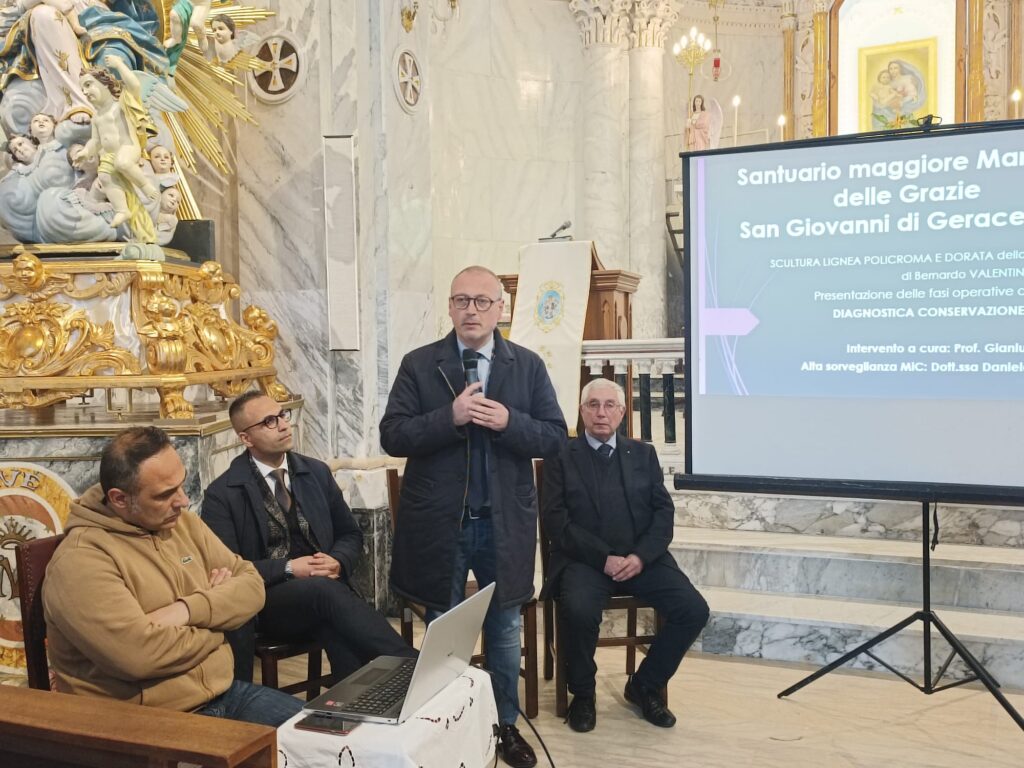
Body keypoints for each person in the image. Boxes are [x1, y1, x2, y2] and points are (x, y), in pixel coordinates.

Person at [380, 265, 567, 768]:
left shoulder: (525, 366)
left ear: (501, 308)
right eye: (461, 300)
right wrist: (450, 418)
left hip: (503, 521)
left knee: (505, 625)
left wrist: (510, 422)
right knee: (442, 628)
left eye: (482, 301)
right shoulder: (421, 364)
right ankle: (445, 726)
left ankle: (504, 725)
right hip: (441, 522)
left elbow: (554, 436)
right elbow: (392, 435)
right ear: (449, 307)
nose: (471, 310)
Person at [42, 426, 303, 726]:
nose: (182, 501)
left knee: (335, 743)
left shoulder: (182, 524)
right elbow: (139, 656)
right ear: (119, 499)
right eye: (165, 494)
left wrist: (185, 610)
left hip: (225, 693)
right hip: (146, 721)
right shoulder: (81, 561)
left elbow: (252, 584)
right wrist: (221, 620)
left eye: (180, 485)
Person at [203, 391, 416, 685]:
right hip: (266, 603)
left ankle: (351, 713)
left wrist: (337, 561)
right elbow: (228, 568)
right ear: (246, 438)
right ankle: (414, 665)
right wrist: (290, 568)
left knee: (337, 627)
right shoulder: (222, 494)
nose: (283, 425)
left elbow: (350, 533)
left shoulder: (314, 472)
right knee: (324, 592)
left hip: (323, 597)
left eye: (282, 415)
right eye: (269, 421)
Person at [541, 378, 709, 733]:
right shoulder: (561, 455)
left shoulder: (643, 453)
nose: (601, 413)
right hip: (584, 560)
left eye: (609, 405)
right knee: (579, 610)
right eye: (593, 405)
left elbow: (663, 515)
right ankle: (583, 694)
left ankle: (644, 686)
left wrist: (641, 557)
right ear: (582, 411)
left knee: (693, 609)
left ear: (621, 412)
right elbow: (556, 521)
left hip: (641, 560)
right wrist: (603, 558)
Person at [80, 57, 159, 238]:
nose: (85, 92)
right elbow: (96, 141)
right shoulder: (96, 116)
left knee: (122, 163)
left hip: (128, 148)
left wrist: (119, 65)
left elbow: (134, 86)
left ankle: (146, 186)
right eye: (83, 88)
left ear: (104, 83)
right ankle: (122, 210)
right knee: (105, 177)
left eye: (88, 85)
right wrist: (85, 152)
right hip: (109, 156)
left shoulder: (121, 104)